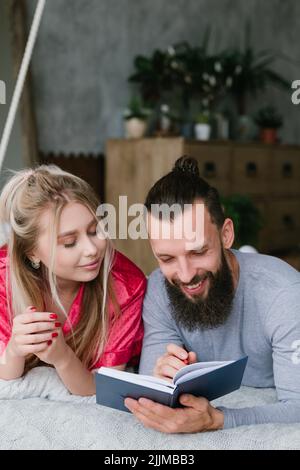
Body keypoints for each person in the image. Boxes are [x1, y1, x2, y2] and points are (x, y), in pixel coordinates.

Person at [125, 155, 300, 433]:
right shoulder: (158, 288)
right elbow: (150, 385)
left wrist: (217, 420)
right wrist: (160, 381)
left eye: (197, 252)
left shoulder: (284, 294)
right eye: (167, 258)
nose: (184, 275)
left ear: (226, 234)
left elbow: (298, 405)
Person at [0, 165, 146, 395]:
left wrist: (63, 357)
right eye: (69, 242)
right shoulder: (3, 276)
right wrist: (15, 349)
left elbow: (103, 387)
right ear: (31, 253)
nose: (91, 250)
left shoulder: (126, 285)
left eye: (95, 230)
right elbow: (5, 374)